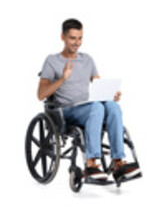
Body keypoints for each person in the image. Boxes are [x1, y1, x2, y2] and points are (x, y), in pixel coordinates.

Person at [36, 18, 140, 183]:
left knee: (112, 106)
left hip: (90, 107)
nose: (77, 43)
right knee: (97, 108)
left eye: (80, 38)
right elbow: (41, 94)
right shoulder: (52, 61)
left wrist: (111, 94)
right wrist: (62, 79)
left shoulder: (87, 60)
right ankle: (90, 163)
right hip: (66, 111)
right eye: (72, 38)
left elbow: (99, 85)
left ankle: (118, 162)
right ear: (63, 37)